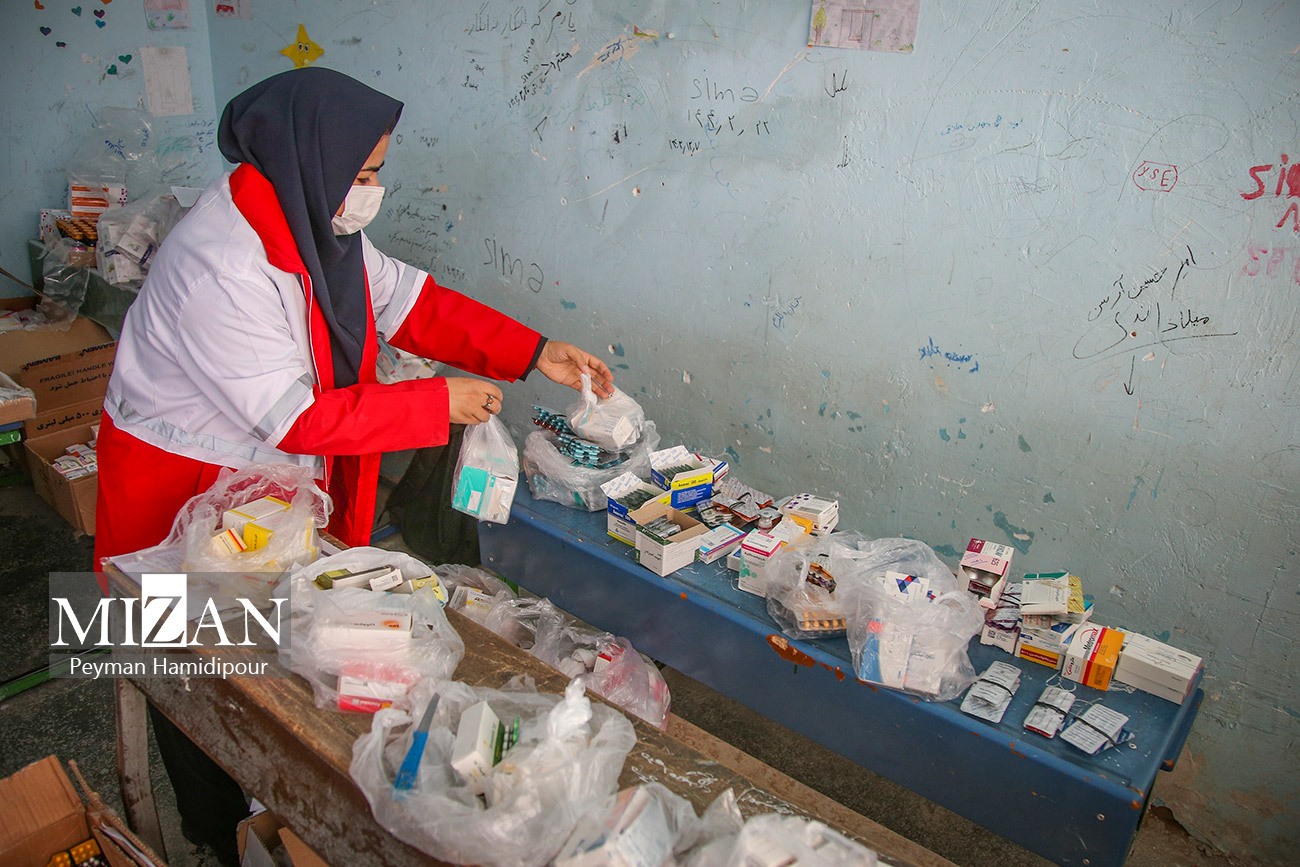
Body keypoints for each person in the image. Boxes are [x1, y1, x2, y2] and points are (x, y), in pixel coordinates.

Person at [92, 67, 612, 864]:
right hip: (175, 488)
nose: (371, 190)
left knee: (268, 656)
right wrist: (433, 402)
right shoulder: (221, 261)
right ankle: (215, 833)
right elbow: (296, 416)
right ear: (312, 158)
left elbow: (412, 302)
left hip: (253, 486)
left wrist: (534, 350)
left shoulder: (311, 224)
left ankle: (270, 813)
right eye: (363, 173)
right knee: (189, 666)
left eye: (375, 172)